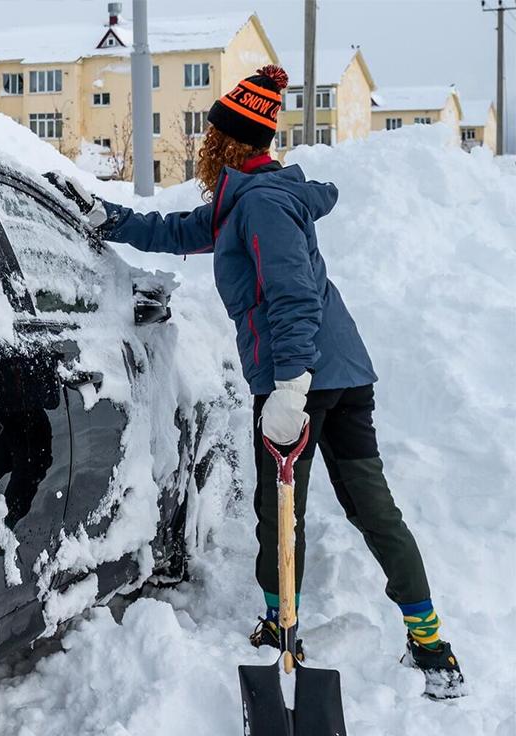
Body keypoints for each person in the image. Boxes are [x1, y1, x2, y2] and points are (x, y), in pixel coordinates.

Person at [48, 65, 465, 700]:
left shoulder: (263, 204)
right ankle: (430, 643)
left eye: (210, 135)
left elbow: (294, 297)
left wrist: (290, 390)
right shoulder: (242, 200)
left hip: (301, 377)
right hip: (344, 372)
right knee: (370, 508)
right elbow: (178, 231)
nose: (202, 145)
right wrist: (104, 215)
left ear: (229, 142)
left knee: (281, 510)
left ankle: (281, 625)